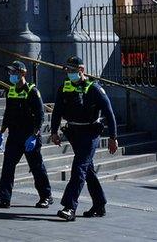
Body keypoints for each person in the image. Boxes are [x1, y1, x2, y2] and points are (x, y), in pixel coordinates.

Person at [50, 56, 119, 221]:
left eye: (73, 70)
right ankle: (99, 204)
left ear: (81, 70)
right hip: (74, 132)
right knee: (87, 170)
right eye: (68, 70)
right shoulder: (64, 88)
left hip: (90, 132)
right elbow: (57, 111)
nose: (69, 73)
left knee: (79, 167)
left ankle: (69, 207)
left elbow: (109, 113)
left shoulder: (94, 88)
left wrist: (113, 137)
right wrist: (54, 131)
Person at [0, 60, 53, 209]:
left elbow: (40, 115)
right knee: (8, 167)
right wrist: (1, 133)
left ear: (23, 73)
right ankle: (3, 198)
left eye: (14, 72)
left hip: (29, 135)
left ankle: (46, 196)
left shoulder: (32, 91)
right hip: (14, 135)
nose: (11, 75)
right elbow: (7, 114)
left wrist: (34, 136)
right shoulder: (10, 91)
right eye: (10, 72)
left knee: (36, 167)